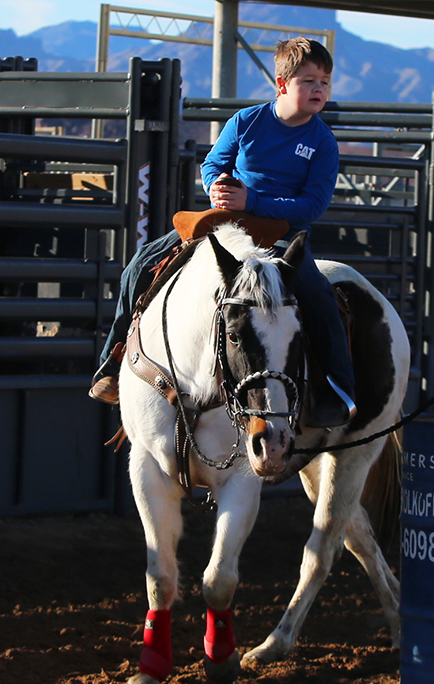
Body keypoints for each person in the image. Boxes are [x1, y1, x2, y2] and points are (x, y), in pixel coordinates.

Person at [90, 37, 356, 428]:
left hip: (282, 234)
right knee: (142, 263)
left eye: (325, 82)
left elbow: (311, 206)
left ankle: (336, 391)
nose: (319, 90)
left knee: (317, 294)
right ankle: (112, 364)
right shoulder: (246, 121)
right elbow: (213, 164)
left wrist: (251, 199)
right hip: (228, 222)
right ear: (282, 84)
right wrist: (216, 185)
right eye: (309, 81)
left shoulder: (322, 142)